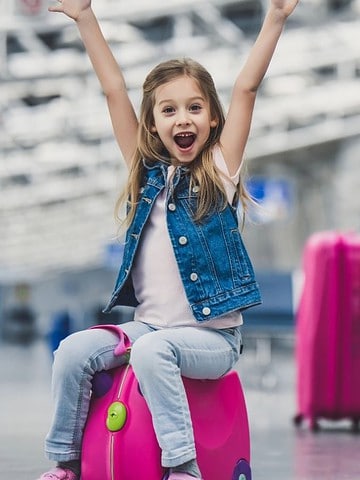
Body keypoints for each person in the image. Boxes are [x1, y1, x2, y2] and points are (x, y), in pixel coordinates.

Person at [38, 0, 298, 479]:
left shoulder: (218, 175)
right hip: (150, 329)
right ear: (153, 125)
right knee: (73, 352)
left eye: (195, 108)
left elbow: (246, 88)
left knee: (155, 352)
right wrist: (85, 19)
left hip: (213, 339)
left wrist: (275, 18)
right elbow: (114, 92)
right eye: (169, 110)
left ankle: (182, 466)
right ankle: (66, 463)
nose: (183, 119)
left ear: (213, 119)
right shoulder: (146, 178)